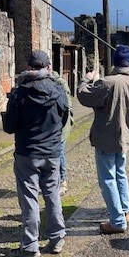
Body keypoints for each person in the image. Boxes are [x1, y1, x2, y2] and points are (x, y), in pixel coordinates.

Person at [2, 50, 68, 257]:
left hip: (28, 153)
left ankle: (31, 245)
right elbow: (64, 117)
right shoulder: (59, 90)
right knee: (52, 194)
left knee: (29, 198)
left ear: (29, 67)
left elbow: (10, 127)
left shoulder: (20, 92)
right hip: (52, 152)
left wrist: (7, 111)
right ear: (48, 67)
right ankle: (57, 239)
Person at [77, 45, 129, 234]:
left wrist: (86, 79)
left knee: (108, 178)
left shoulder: (108, 82)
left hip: (106, 138)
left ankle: (117, 221)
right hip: (125, 138)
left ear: (115, 62)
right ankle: (125, 211)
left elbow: (84, 96)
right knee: (120, 173)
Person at [51, 68, 73, 196]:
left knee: (59, 152)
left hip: (61, 125)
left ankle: (62, 181)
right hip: (50, 126)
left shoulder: (60, 83)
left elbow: (67, 105)